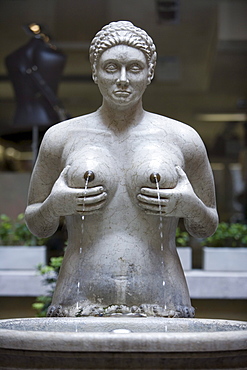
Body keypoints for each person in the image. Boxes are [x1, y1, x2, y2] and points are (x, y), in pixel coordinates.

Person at [25, 21, 218, 318]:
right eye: (111, 67)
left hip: (163, 296)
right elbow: (37, 224)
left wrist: (190, 206)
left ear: (150, 73)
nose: (123, 79)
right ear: (95, 72)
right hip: (78, 296)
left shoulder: (182, 138)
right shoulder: (61, 137)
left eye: (135, 68)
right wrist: (54, 206)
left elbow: (206, 226)